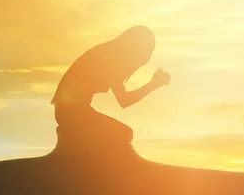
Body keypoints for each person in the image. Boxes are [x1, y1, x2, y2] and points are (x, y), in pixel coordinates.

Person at [50, 25, 171, 155]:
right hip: (71, 114)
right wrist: (154, 84)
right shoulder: (111, 58)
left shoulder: (108, 53)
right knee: (124, 134)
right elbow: (124, 101)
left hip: (70, 112)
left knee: (122, 134)